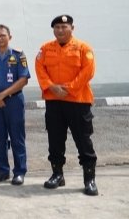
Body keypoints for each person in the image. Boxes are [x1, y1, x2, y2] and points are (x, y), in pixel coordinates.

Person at [35, 14, 98, 196]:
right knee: (55, 139)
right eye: (57, 27)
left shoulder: (83, 48)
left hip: (78, 101)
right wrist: (51, 87)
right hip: (54, 101)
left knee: (83, 140)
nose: (60, 30)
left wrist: (68, 88)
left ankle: (89, 179)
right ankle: (57, 174)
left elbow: (88, 71)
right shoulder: (45, 48)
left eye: (64, 27)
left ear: (72, 28)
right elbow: (40, 68)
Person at [0, 24, 30, 185]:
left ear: (10, 37)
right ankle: (3, 170)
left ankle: (19, 172)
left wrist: (2, 95)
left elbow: (23, 80)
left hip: (14, 101)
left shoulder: (18, 55)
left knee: (17, 137)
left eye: (2, 35)